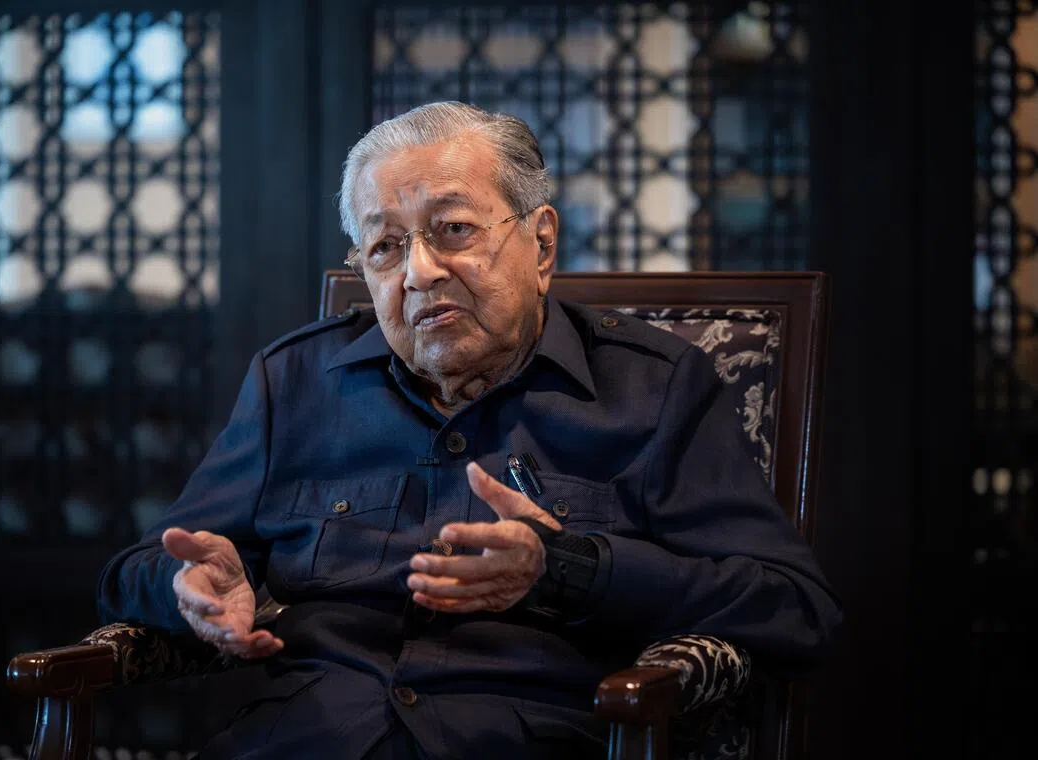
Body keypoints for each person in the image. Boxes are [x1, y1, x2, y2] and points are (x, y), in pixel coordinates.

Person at [97, 101, 842, 759]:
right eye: (385, 247)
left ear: (541, 245)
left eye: (453, 230)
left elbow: (795, 609)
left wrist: (568, 569)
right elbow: (135, 571)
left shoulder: (652, 388)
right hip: (307, 736)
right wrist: (186, 586)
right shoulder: (293, 382)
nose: (419, 272)